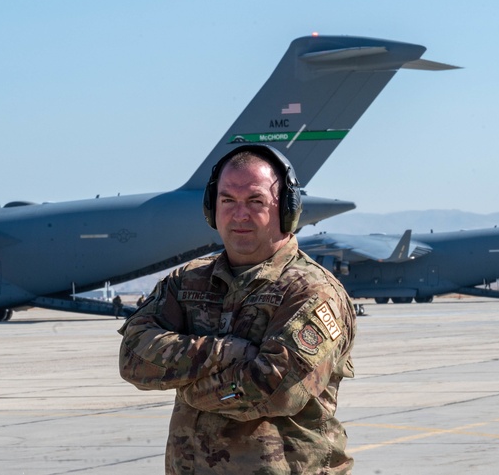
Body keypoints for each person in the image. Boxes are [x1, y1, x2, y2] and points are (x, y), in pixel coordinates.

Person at [118, 145, 357, 474]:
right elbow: (132, 358)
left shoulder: (310, 292)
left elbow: (273, 392)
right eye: (227, 200)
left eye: (255, 201)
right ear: (211, 209)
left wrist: (186, 384)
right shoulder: (186, 283)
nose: (239, 214)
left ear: (286, 209)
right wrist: (222, 352)